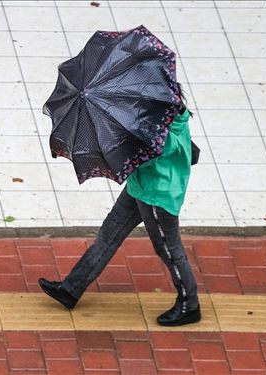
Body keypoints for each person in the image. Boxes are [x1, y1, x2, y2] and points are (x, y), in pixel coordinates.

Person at [38, 92, 200, 327]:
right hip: (139, 187)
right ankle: (71, 289)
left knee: (169, 249)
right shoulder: (167, 113)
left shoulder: (159, 130)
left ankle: (189, 305)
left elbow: (140, 156)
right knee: (108, 236)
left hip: (157, 197)